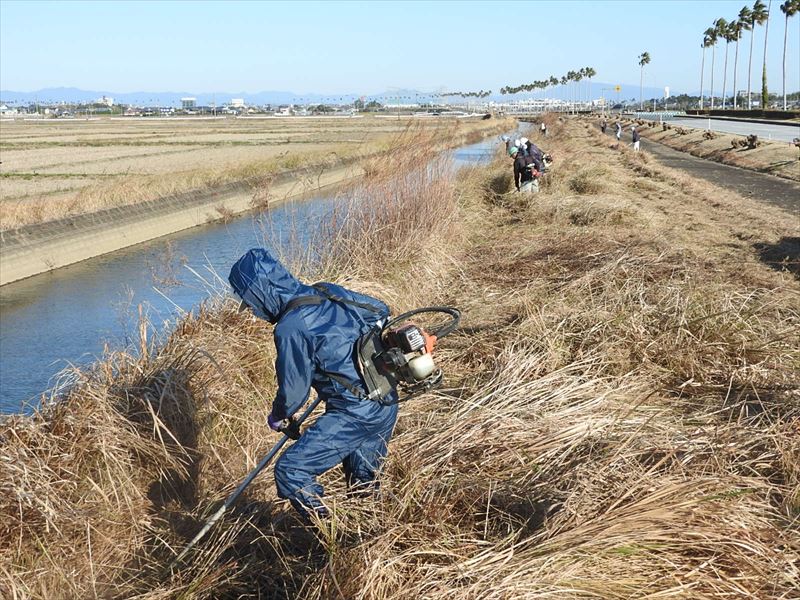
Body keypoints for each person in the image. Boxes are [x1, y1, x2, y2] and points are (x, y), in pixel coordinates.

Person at [229, 248, 399, 521]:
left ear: (261, 293)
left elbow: (294, 392)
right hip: (386, 398)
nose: (252, 312)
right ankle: (368, 533)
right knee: (364, 481)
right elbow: (380, 311)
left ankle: (331, 533)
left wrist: (278, 416)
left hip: (354, 414)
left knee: (291, 471)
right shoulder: (326, 291)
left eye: (249, 303)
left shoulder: (291, 327)